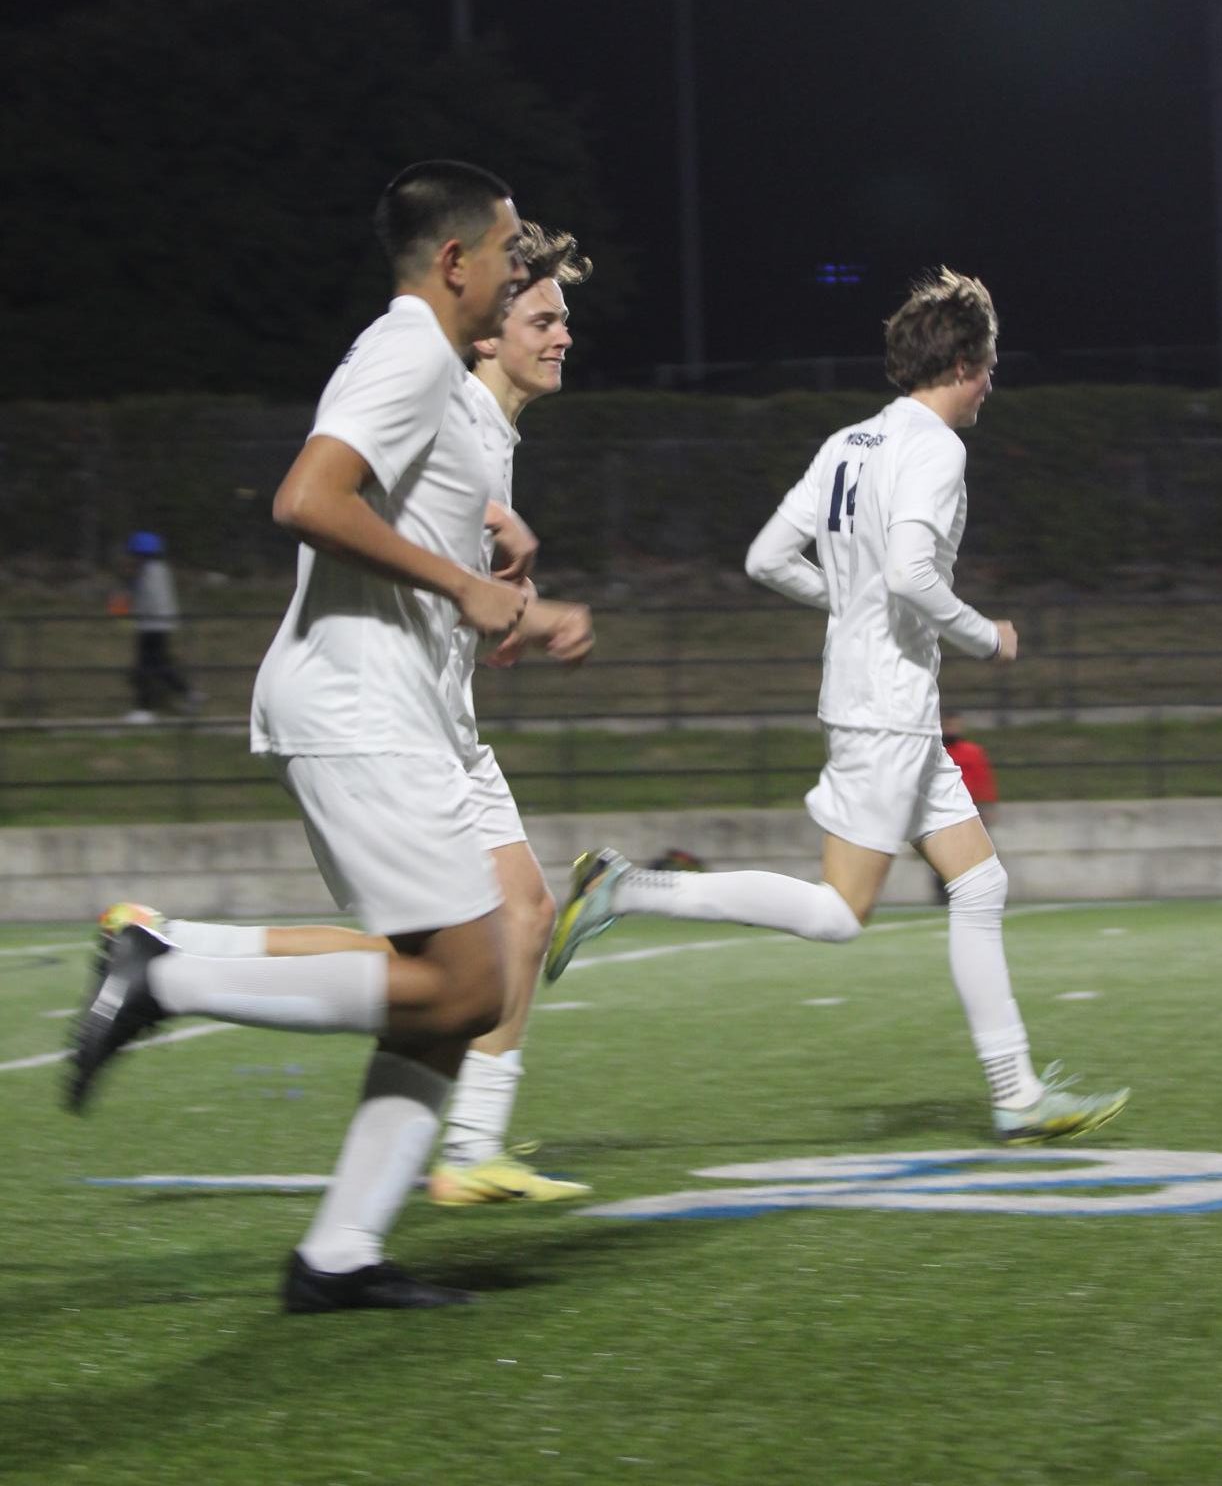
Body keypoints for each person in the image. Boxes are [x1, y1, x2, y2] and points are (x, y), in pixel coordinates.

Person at [68, 159, 564, 1313]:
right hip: (358, 706)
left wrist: (494, 546)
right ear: (454, 263)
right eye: (504, 250)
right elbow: (308, 497)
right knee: (462, 986)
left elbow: (406, 486)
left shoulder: (433, 366)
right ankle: (168, 973)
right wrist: (464, 584)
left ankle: (338, 1254)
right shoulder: (404, 345)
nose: (515, 267)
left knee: (464, 981)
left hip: (409, 713)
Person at [544, 268, 1128, 1146]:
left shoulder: (848, 441)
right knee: (838, 913)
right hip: (888, 707)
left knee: (979, 880)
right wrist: (985, 636)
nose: (995, 380)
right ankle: (630, 887)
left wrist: (848, 607)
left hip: (890, 705)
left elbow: (766, 558)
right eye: (992, 363)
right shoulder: (936, 448)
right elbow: (909, 574)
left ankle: (1015, 1091)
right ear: (967, 363)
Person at [118, 531, 200, 722]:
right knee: (159, 665)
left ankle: (144, 709)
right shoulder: (159, 569)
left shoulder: (149, 572)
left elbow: (141, 598)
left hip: (152, 625)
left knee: (146, 666)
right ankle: (188, 694)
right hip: (158, 624)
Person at [934, 713, 998, 903]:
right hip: (942, 805)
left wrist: (987, 805)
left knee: (980, 849)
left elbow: (983, 778)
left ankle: (986, 890)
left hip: (971, 806)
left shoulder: (972, 751)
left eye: (954, 725)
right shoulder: (935, 751)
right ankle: (943, 893)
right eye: (947, 725)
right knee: (941, 851)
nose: (951, 729)